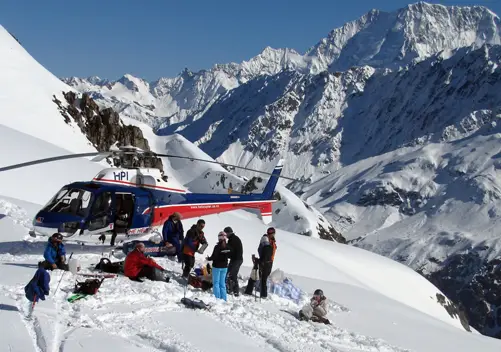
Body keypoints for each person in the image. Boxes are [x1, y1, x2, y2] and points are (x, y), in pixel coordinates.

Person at [244, 227, 277, 298]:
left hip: (269, 262)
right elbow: (265, 251)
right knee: (256, 275)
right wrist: (262, 261)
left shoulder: (272, 241)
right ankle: (252, 292)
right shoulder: (265, 239)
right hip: (264, 261)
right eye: (270, 232)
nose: (271, 234)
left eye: (272, 232)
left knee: (262, 277)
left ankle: (257, 293)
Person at [206, 231, 232, 301]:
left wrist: (209, 258)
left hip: (217, 267)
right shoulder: (228, 247)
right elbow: (230, 255)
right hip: (225, 267)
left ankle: (217, 298)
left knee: (216, 283)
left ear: (219, 238)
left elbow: (214, 256)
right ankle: (224, 298)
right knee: (222, 283)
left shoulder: (217, 247)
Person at [224, 226, 243, 296]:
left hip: (236, 260)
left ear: (228, 233)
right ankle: (233, 290)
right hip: (237, 259)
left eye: (226, 234)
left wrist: (225, 253)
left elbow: (230, 251)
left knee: (231, 274)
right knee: (232, 275)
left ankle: (234, 290)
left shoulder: (232, 240)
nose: (225, 236)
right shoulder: (235, 238)